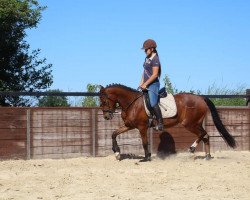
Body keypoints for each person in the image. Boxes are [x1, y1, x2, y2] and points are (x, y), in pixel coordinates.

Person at [139, 39, 163, 131]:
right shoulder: (147, 59)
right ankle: (150, 118)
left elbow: (155, 75)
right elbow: (144, 72)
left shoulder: (155, 59)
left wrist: (146, 84)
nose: (145, 51)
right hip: (146, 84)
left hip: (153, 84)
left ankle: (160, 123)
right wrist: (141, 83)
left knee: (153, 103)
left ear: (152, 49)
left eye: (146, 49)